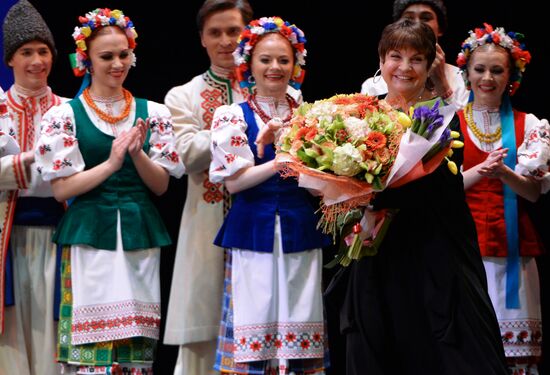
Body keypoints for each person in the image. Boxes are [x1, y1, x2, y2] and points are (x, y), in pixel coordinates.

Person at [334, 19, 509, 374]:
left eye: (416, 59)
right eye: (396, 56)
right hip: (375, 252)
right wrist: (352, 201)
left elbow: (443, 191)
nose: (404, 67)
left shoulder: (442, 118)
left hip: (431, 252)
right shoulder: (357, 114)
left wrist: (379, 196)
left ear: (430, 65)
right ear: (381, 60)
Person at [33, 8, 184, 374]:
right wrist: (111, 164)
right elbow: (62, 189)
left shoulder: (154, 112)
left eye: (123, 54)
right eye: (106, 57)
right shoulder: (65, 116)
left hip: (138, 231)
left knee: (135, 350)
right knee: (92, 352)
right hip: (90, 236)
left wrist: (136, 154)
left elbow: (161, 185)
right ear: (86, 60)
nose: (117, 64)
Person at [208, 16, 332, 374]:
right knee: (254, 317)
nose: (274, 67)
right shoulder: (233, 115)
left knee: (301, 314)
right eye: (265, 60)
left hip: (301, 227)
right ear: (249, 64)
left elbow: (321, 183)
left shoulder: (311, 116)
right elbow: (233, 182)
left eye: (283, 60)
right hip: (252, 228)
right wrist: (280, 161)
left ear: (296, 64)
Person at [162, 1, 253, 374]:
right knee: (203, 340)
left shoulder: (273, 86)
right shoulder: (183, 96)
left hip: (261, 227)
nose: (225, 41)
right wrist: (240, 123)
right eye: (215, 32)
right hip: (206, 227)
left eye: (233, 31)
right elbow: (185, 155)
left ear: (248, 33)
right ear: (201, 38)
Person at [457, 24, 548, 374]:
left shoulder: (530, 125)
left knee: (515, 354)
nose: (488, 77)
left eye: (497, 70)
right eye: (480, 69)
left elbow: (534, 193)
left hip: (514, 252)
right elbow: (439, 194)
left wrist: (504, 174)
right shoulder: (449, 123)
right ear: (466, 72)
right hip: (464, 250)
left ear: (511, 75)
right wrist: (481, 172)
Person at [0, 1, 67, 373]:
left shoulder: (71, 110)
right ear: (11, 59)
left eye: (43, 51)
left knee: (53, 333)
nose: (37, 60)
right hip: (7, 239)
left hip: (59, 235)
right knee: (10, 340)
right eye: (26, 52)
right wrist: (27, 162)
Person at [361, 0, 469, 109]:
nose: (417, 24)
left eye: (425, 18)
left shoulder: (461, 79)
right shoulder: (372, 90)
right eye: (409, 19)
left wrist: (443, 87)